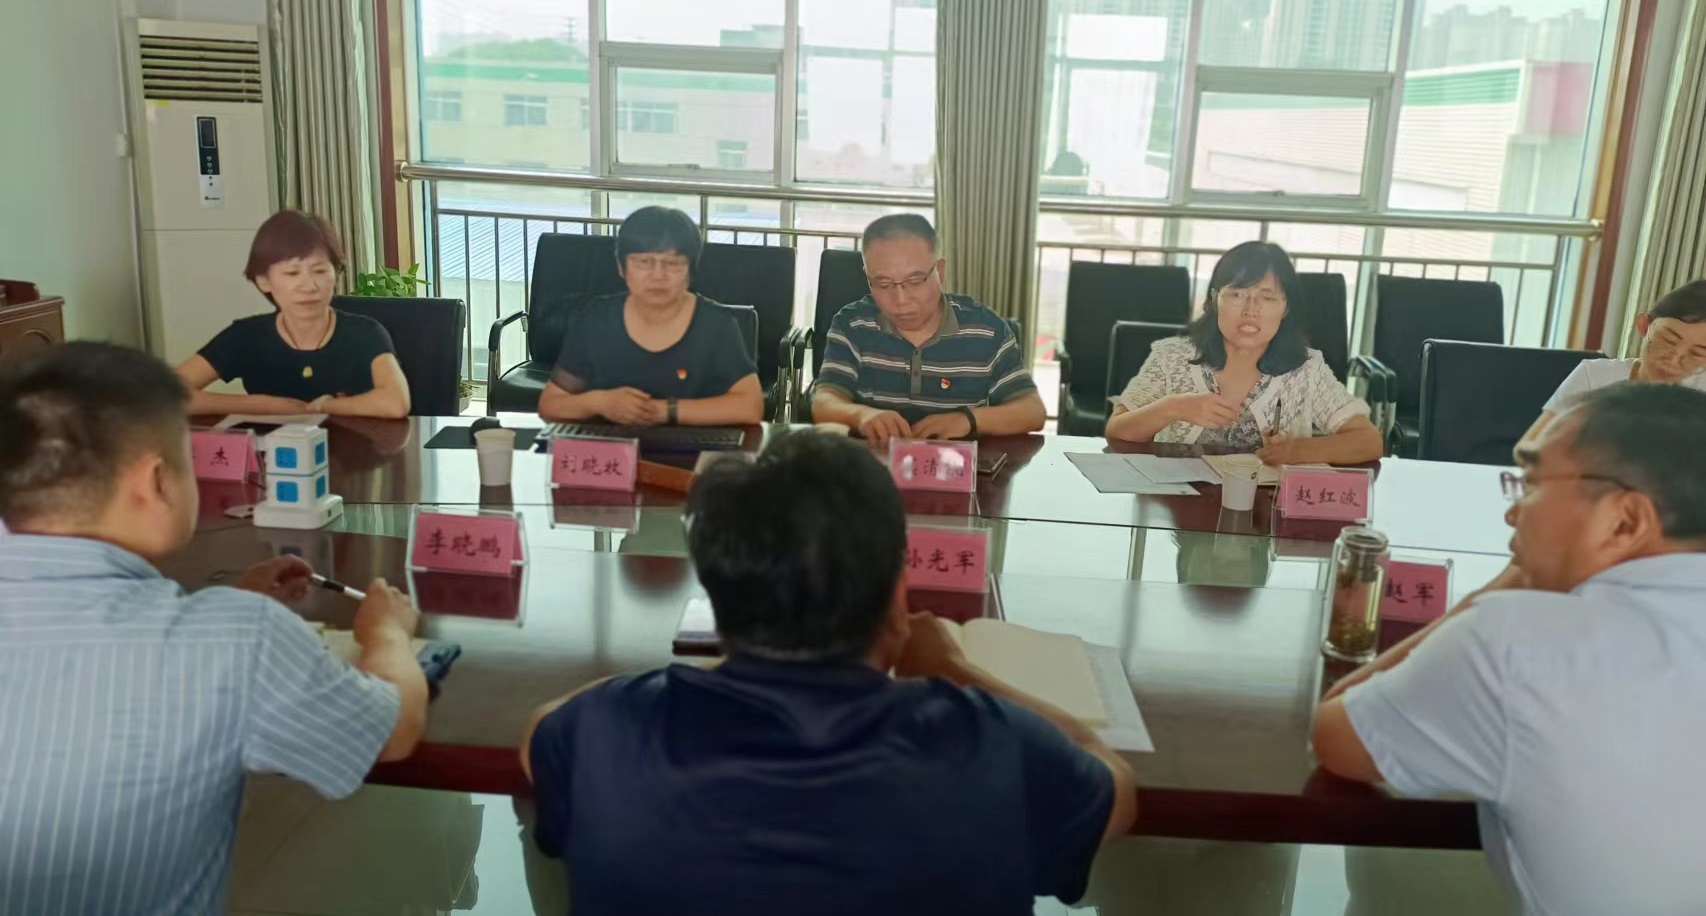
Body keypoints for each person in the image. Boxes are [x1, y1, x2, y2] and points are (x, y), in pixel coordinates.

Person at [521, 432, 1136, 915]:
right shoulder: (996, 742)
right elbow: (1115, 784)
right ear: (897, 595)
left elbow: (540, 731)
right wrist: (955, 670)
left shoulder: (606, 729)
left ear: (717, 593)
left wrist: (730, 651)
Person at [0, 343, 428, 914]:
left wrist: (223, 608)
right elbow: (392, 734)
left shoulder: (224, 632)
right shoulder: (237, 639)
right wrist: (388, 635)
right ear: (156, 482)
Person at [1312, 383, 1706, 916]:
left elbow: (1338, 736)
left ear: (1625, 521)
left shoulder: (1520, 645)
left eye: (1531, 482)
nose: (1512, 513)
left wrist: (1506, 586)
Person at [1105, 241, 1383, 466]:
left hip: (1267, 511)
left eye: (1267, 297)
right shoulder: (1173, 356)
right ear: (1214, 301)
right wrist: (1172, 408)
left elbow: (1369, 442)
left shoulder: (1306, 368)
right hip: (1181, 507)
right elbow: (1118, 430)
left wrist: (1296, 451)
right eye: (1237, 295)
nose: (1251, 310)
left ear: (1285, 309)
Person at [810, 214, 1047, 444]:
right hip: (873, 465)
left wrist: (968, 420)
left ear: (940, 272)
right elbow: (824, 401)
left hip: (958, 466)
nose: (901, 300)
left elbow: (1032, 411)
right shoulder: (852, 325)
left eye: (915, 281)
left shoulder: (987, 330)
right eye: (883, 283)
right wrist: (861, 415)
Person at [537, 206, 763, 426]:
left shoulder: (716, 325)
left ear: (690, 271)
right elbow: (551, 405)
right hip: (611, 446)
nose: (657, 275)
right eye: (643, 262)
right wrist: (599, 402)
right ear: (621, 267)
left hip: (697, 447)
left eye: (672, 264)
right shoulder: (595, 321)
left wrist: (660, 411)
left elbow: (750, 407)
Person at [176, 210, 412, 418]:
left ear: (336, 275)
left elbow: (395, 403)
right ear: (264, 280)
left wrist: (325, 406)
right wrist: (265, 405)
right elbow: (165, 395)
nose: (309, 286)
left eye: (319, 271)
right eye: (292, 273)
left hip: (356, 451)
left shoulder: (366, 333)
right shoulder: (246, 336)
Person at [1520, 279, 1706, 446]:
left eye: (1697, 353)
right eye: (1667, 340)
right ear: (1644, 325)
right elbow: (1531, 446)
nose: (1674, 360)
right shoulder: (1595, 376)